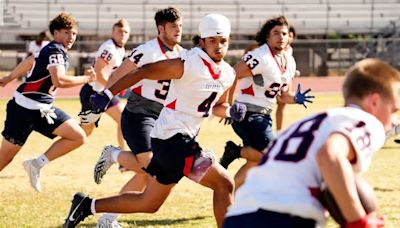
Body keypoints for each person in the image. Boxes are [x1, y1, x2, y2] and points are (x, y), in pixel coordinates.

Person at [63, 13, 245, 228]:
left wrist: (231, 112)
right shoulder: (188, 62)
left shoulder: (227, 73)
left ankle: (86, 206)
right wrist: (107, 94)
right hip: (173, 140)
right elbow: (144, 71)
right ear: (202, 42)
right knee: (224, 183)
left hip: (177, 140)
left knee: (149, 203)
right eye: (212, 41)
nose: (218, 46)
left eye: (223, 41)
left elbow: (218, 106)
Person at [223, 58, 396, 228]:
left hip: (237, 215)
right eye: (394, 110)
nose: (394, 120)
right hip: (283, 216)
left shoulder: (308, 122)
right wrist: (359, 221)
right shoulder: (366, 121)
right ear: (374, 101)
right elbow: (329, 156)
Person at [89, 7, 185, 227]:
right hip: (139, 113)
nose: (178, 30)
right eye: (173, 26)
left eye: (180, 26)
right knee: (152, 167)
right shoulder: (148, 50)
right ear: (161, 28)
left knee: (147, 175)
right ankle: (113, 155)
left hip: (162, 117)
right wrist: (106, 94)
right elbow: (117, 74)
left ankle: (107, 219)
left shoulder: (183, 54)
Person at [0, 13, 96, 192]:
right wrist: (86, 78)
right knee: (4, 159)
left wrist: (9, 77)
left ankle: (36, 164)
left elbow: (30, 61)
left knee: (78, 136)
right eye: (67, 32)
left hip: (43, 108)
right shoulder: (55, 50)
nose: (71, 37)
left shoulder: (53, 49)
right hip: (23, 109)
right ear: (56, 32)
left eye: (74, 34)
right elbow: (59, 80)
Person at [219, 16, 314, 189]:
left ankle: (231, 195)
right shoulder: (260, 56)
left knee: (254, 162)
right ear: (267, 37)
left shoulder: (289, 61)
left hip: (264, 116)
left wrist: (295, 99)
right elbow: (232, 76)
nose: (281, 37)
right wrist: (228, 105)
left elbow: (283, 97)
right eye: (276, 33)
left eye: (284, 33)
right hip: (247, 114)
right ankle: (236, 152)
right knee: (274, 154)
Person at [78, 19, 130, 151]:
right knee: (83, 133)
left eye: (125, 32)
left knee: (123, 118)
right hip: (93, 93)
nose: (123, 34)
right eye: (119, 31)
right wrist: (114, 89)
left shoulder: (120, 48)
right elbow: (99, 72)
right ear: (113, 32)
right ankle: (65, 131)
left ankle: (123, 156)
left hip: (105, 92)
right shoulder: (109, 48)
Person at [276, 25, 300, 131]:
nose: (288, 38)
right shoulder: (275, 48)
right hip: (273, 80)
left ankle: (278, 130)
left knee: (282, 105)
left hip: (284, 81)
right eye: (287, 35)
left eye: (291, 36)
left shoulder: (289, 49)